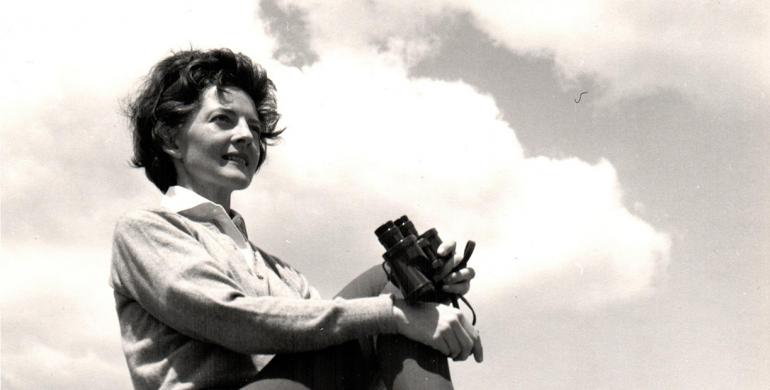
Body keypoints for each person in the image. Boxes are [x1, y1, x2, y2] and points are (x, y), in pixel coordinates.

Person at [110, 48, 482, 390]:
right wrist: (397, 314)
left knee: (395, 286)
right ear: (171, 139)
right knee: (389, 310)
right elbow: (232, 320)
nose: (245, 136)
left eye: (255, 129)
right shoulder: (147, 229)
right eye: (223, 120)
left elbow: (343, 339)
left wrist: (428, 289)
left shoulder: (279, 272)